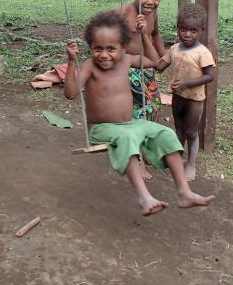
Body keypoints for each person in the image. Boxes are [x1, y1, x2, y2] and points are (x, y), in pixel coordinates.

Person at [64, 11, 216, 216]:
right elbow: (71, 94)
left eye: (111, 48)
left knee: (166, 133)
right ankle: (145, 197)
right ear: (90, 48)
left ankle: (184, 192)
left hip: (129, 123)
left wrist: (145, 34)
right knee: (127, 138)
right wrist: (72, 62)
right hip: (102, 129)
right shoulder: (90, 66)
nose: (104, 54)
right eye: (98, 48)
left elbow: (157, 63)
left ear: (123, 48)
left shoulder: (126, 60)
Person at [141, 3, 216, 182]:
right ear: (178, 28)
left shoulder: (202, 52)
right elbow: (159, 65)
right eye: (183, 29)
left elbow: (210, 76)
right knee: (179, 129)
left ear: (201, 31)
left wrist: (187, 83)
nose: (187, 34)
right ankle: (178, 159)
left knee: (191, 132)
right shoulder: (174, 49)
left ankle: (191, 164)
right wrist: (143, 39)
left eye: (193, 30)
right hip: (178, 97)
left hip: (194, 100)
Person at [115, 0, 167, 122]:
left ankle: (148, 133)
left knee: (154, 104)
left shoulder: (153, 14)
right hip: (128, 70)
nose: (150, 2)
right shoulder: (122, 14)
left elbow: (155, 34)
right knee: (137, 105)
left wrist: (164, 56)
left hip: (147, 67)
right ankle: (133, 134)